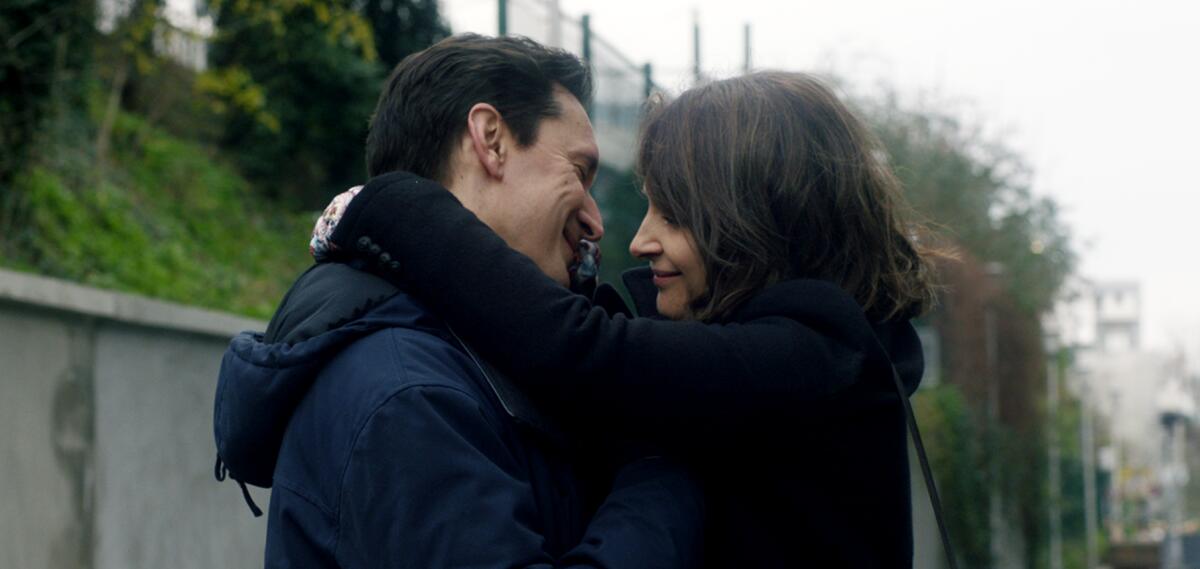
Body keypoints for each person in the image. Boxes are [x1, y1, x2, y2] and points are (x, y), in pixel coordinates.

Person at [319, 71, 940, 567]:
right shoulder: (806, 356)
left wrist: (392, 208)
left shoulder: (810, 358)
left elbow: (583, 352)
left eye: (671, 213)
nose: (638, 240)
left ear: (754, 219)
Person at [212, 34, 705, 568]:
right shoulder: (409, 393)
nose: (596, 221)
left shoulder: (457, 361)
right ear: (490, 139)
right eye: (579, 173)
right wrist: (662, 475)